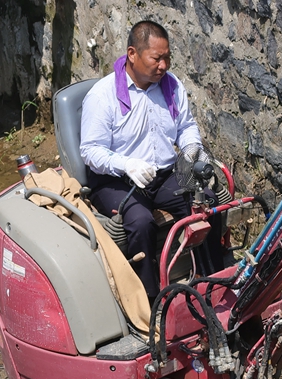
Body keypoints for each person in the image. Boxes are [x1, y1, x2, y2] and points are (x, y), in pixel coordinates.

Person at [79, 19, 223, 297]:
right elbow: (91, 151)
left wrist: (192, 152)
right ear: (132, 54)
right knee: (140, 222)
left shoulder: (170, 86)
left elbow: (186, 126)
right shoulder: (103, 95)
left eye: (167, 58)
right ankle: (150, 301)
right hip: (116, 180)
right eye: (157, 58)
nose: (164, 66)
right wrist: (126, 164)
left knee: (206, 202)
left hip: (163, 174)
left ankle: (213, 283)